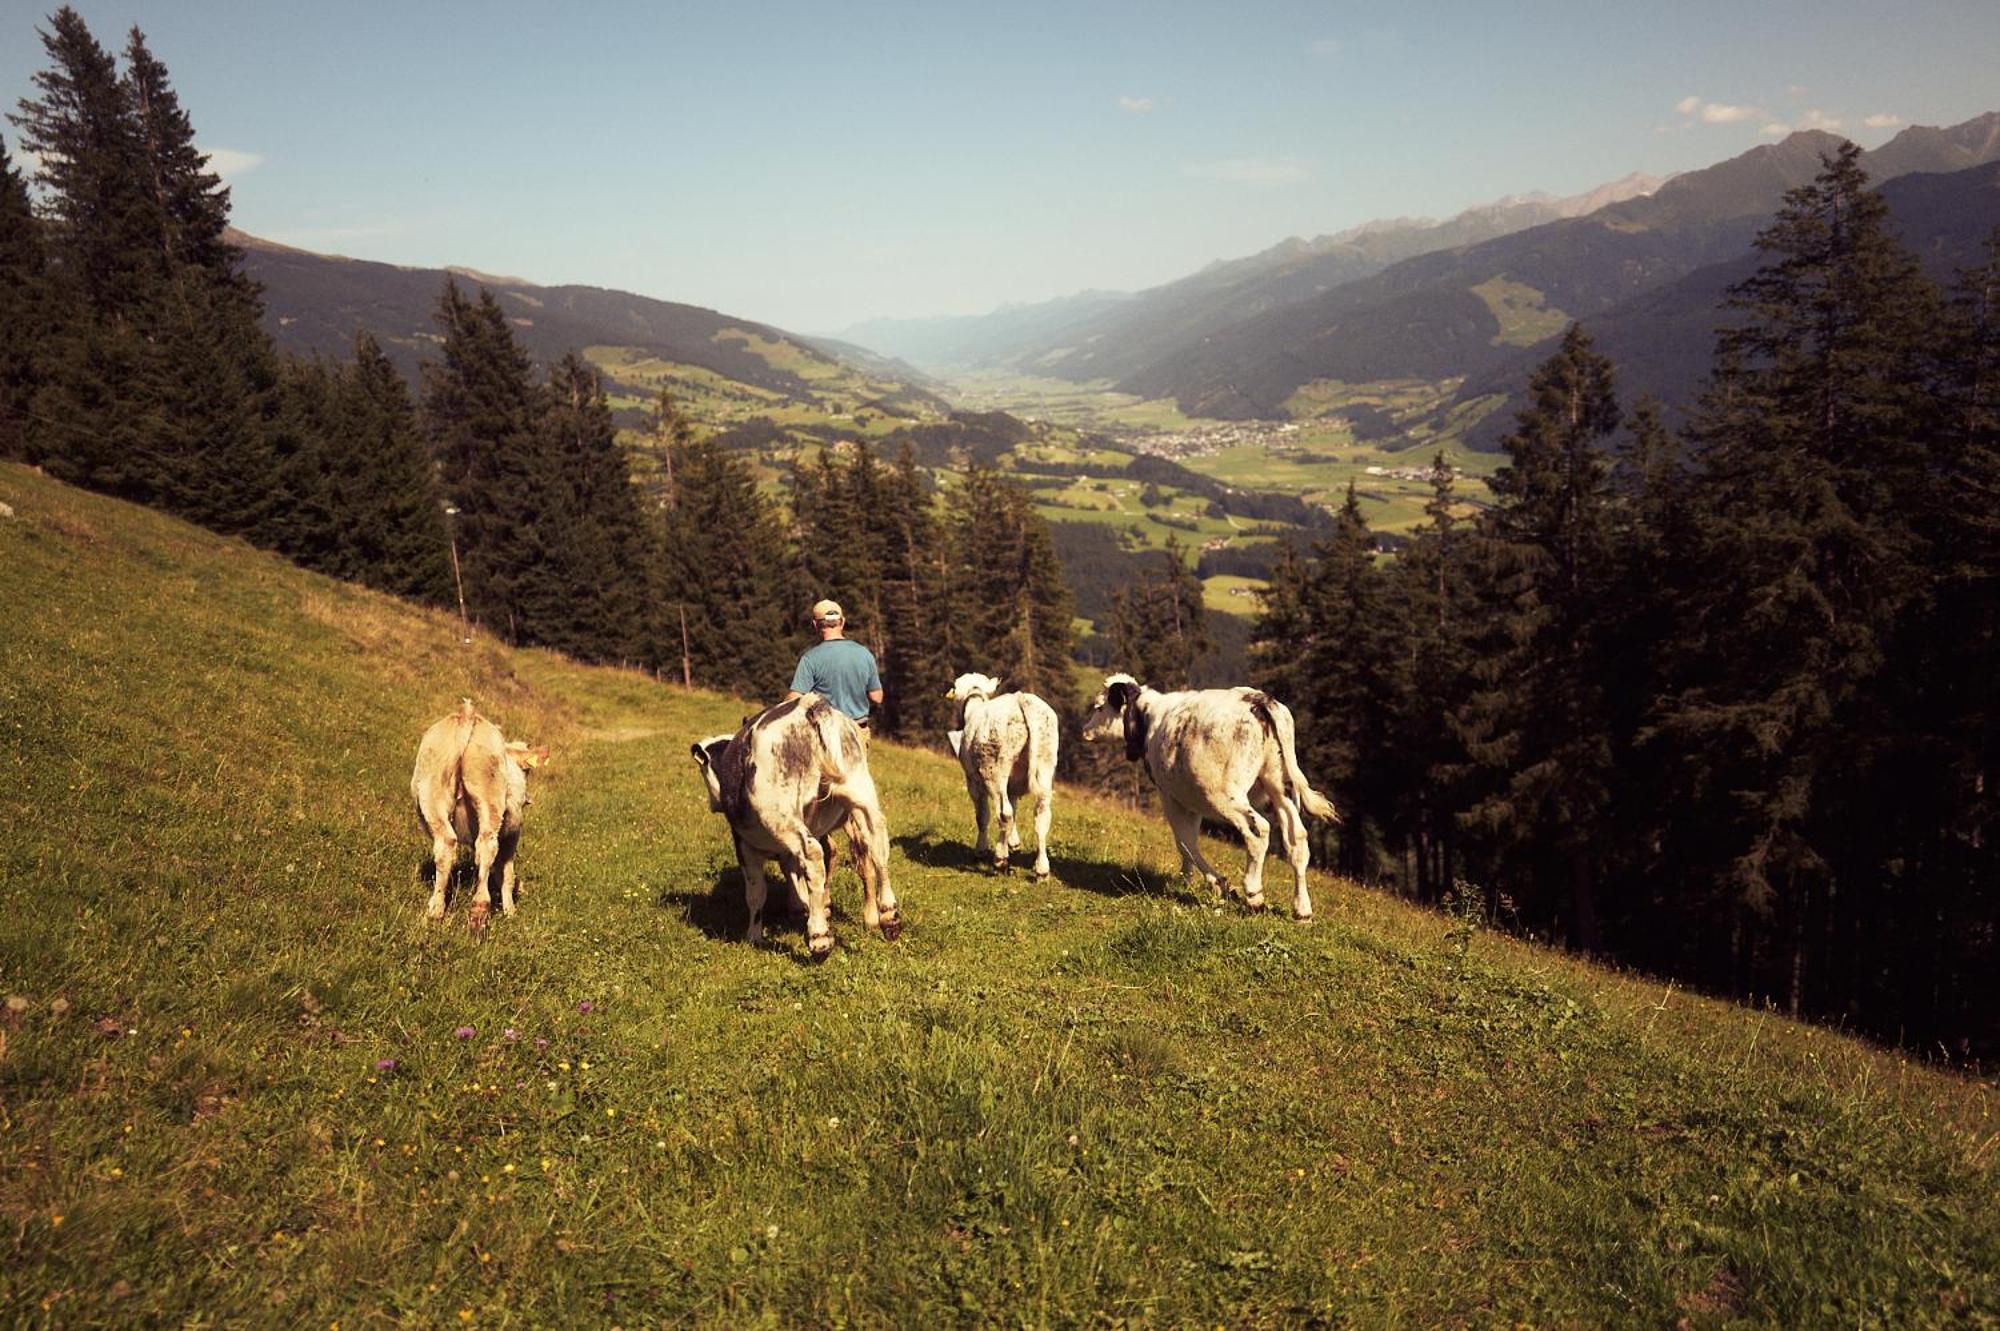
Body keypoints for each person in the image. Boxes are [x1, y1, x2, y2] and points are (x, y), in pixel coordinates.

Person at [786, 598, 882, 736]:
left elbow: (795, 698)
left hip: (825, 734)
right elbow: (877, 697)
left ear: (815, 625)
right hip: (857, 732)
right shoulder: (864, 653)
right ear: (842, 622)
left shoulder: (810, 658)